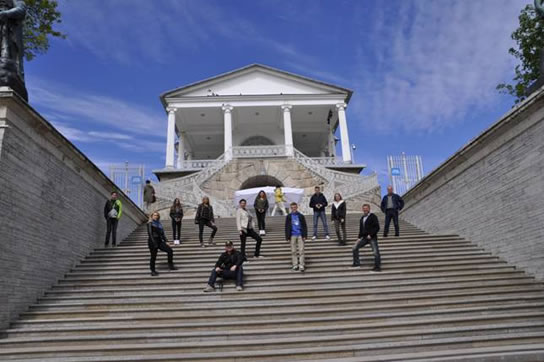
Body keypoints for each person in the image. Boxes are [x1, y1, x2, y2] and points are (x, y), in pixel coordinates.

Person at [352, 204, 381, 271]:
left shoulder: (373, 216)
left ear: (369, 209)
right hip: (364, 238)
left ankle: (377, 267)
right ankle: (356, 263)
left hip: (372, 238)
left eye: (366, 208)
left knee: (375, 252)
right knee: (354, 248)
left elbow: (377, 227)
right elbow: (361, 229)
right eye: (364, 208)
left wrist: (370, 235)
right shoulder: (362, 218)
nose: (365, 209)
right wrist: (358, 238)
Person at [147, 212, 177, 276]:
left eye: (157, 215)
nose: (156, 216)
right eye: (154, 215)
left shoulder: (159, 224)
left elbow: (162, 234)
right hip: (152, 241)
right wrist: (154, 243)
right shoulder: (150, 223)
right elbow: (150, 234)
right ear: (152, 216)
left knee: (170, 251)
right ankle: (152, 271)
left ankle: (170, 265)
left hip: (160, 241)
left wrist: (166, 241)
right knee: (153, 257)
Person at [285, 202, 308, 272]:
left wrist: (305, 235)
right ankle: (295, 264)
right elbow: (286, 227)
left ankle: (301, 264)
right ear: (291, 208)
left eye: (294, 207)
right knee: (293, 251)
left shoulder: (301, 216)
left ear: (297, 207)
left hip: (300, 235)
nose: (293, 209)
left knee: (301, 250)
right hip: (292, 235)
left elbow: (304, 226)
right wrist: (287, 237)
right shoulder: (288, 216)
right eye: (292, 208)